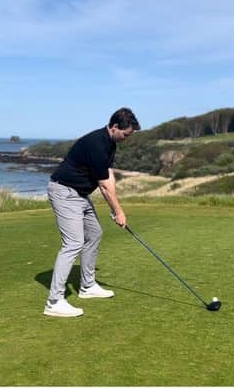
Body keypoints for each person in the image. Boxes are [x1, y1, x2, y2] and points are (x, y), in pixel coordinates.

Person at [43, 107, 140, 318]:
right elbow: (104, 187)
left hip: (80, 195)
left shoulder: (111, 143)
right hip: (64, 192)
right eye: (125, 134)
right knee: (73, 243)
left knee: (95, 233)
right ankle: (54, 301)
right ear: (115, 127)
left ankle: (87, 287)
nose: (126, 138)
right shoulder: (97, 143)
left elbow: (108, 176)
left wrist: (116, 209)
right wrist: (119, 211)